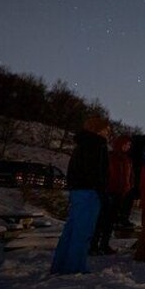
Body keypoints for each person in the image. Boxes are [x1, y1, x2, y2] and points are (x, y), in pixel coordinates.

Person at [51, 116, 110, 274]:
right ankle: (75, 267)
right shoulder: (97, 145)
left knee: (71, 229)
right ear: (98, 129)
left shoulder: (82, 145)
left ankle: (60, 264)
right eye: (106, 129)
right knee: (83, 230)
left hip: (78, 190)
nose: (108, 133)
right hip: (90, 192)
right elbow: (97, 172)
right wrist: (101, 191)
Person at [90, 135, 131, 255]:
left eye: (129, 145)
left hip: (120, 192)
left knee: (110, 221)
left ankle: (104, 244)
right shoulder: (111, 157)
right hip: (109, 191)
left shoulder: (127, 160)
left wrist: (127, 187)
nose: (127, 147)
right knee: (102, 220)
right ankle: (94, 244)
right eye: (126, 144)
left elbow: (128, 176)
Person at [118, 134, 145, 228]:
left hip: (127, 183)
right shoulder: (140, 156)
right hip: (133, 183)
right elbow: (142, 171)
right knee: (127, 202)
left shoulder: (128, 154)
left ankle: (121, 219)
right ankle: (123, 219)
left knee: (124, 202)